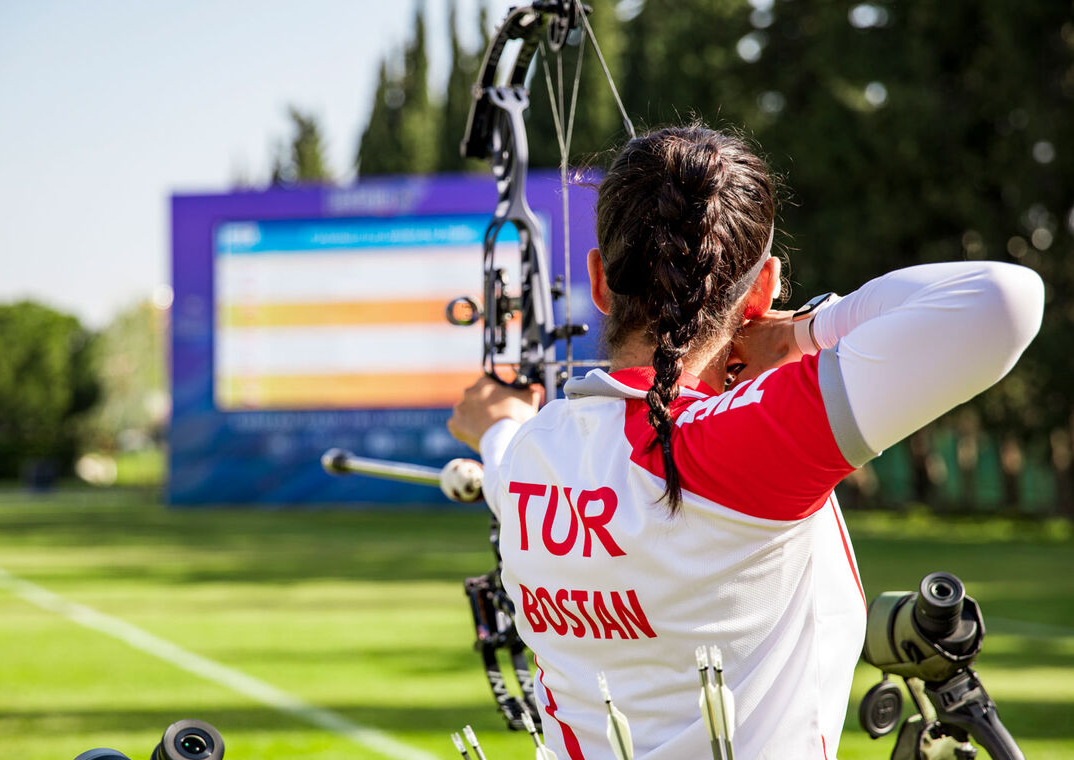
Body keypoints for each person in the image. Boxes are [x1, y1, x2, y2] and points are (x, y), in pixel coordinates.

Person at [447, 123, 1044, 759]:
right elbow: (1005, 300)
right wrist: (802, 331)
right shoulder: (737, 444)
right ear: (761, 291)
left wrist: (497, 424)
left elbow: (504, 463)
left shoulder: (531, 458)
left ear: (599, 282)